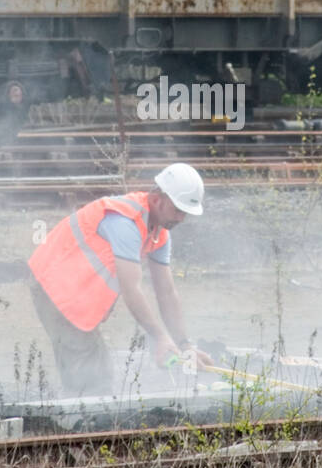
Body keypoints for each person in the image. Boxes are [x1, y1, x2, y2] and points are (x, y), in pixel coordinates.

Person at [28, 163, 214, 396]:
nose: (182, 218)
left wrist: (184, 344)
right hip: (53, 286)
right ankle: (82, 426)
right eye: (178, 210)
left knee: (94, 370)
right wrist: (160, 337)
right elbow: (131, 289)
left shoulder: (159, 232)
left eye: (186, 212)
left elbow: (166, 292)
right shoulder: (124, 223)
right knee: (91, 374)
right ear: (157, 200)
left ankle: (85, 420)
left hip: (76, 293)